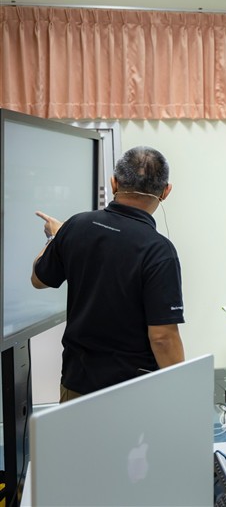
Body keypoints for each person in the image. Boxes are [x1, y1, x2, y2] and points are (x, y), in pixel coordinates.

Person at [31, 146, 185, 402]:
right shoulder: (158, 250)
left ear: (114, 183)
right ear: (166, 192)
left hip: (76, 384)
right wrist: (182, 393)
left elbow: (38, 279)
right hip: (134, 394)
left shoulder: (75, 226)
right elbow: (163, 338)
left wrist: (55, 238)